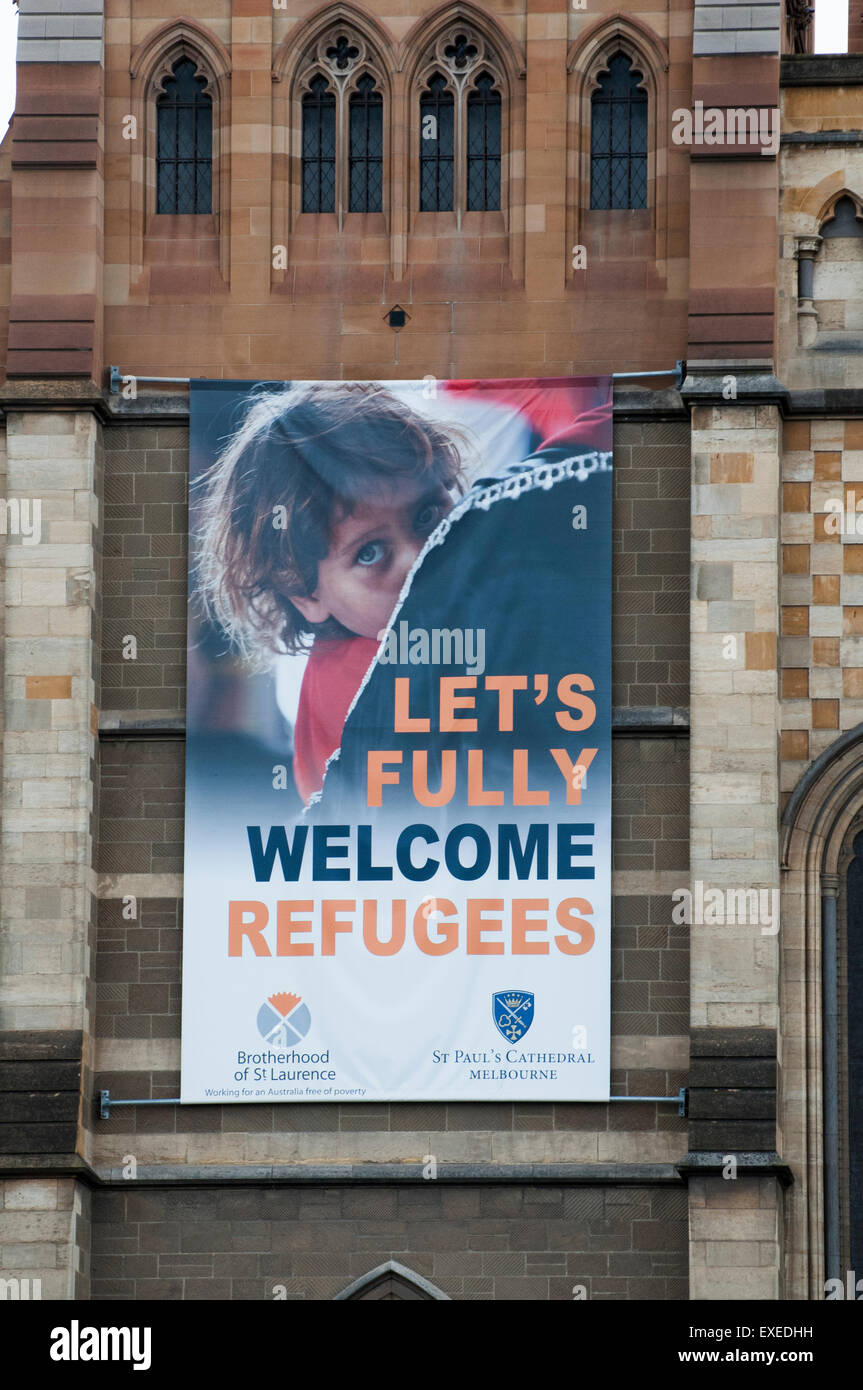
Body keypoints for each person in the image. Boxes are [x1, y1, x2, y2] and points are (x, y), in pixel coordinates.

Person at [195, 381, 468, 804]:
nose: (421, 557)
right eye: (370, 552)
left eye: (427, 515)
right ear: (305, 595)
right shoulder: (375, 679)